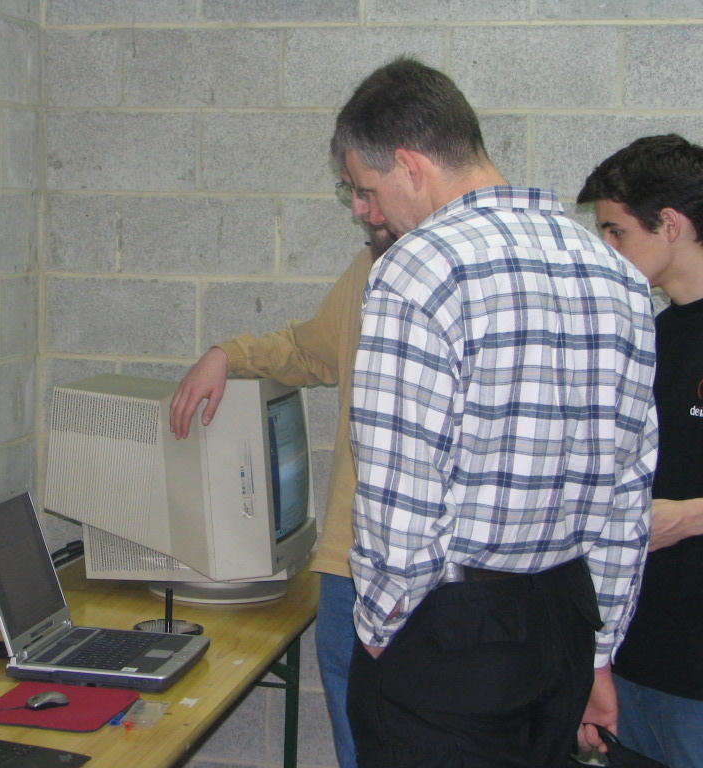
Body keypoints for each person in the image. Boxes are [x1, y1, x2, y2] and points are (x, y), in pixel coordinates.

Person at [334, 57, 658, 767]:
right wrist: (598, 649)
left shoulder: (417, 268)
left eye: (365, 189)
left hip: (449, 637)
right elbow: (628, 491)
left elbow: (399, 487)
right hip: (563, 624)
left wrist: (383, 626)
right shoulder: (616, 273)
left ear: (411, 165)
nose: (363, 211)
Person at [169, 215, 395, 767]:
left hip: (440, 577)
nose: (363, 210)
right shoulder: (370, 266)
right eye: (355, 194)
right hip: (351, 558)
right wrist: (227, 355)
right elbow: (311, 351)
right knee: (362, 738)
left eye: (368, 192)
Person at [577, 134, 703, 768]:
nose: (607, 249)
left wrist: (690, 515)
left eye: (616, 231)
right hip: (638, 657)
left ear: (670, 225)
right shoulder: (650, 336)